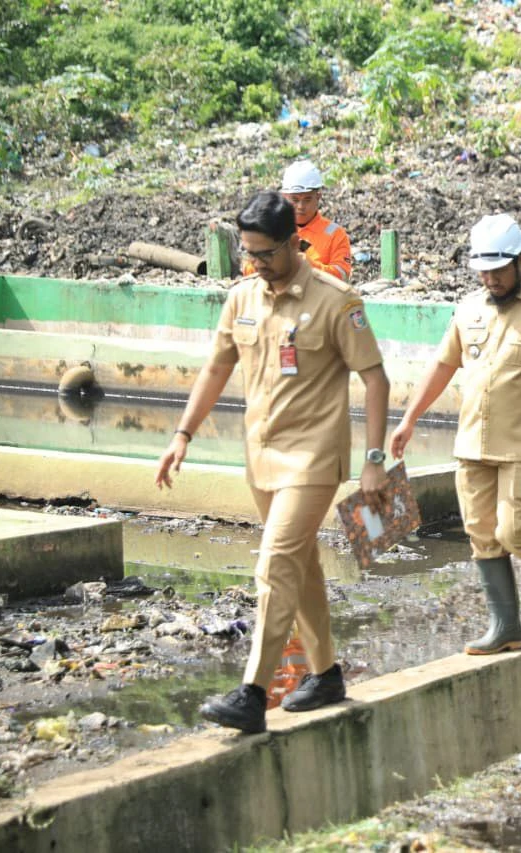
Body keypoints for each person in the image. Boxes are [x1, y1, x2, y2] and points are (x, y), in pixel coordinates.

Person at [155, 190, 390, 733]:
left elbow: (374, 377)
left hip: (313, 457)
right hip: (261, 457)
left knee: (273, 565)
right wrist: (182, 433)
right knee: (299, 565)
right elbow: (216, 368)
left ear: (293, 242)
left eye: (264, 254)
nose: (255, 264)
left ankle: (252, 692)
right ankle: (326, 672)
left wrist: (374, 460)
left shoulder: (336, 300)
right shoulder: (241, 298)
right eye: (248, 253)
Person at [389, 214, 521, 655]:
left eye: (499, 269)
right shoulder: (468, 309)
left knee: (515, 528)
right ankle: (505, 627)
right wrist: (408, 420)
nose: (491, 278)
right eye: (484, 270)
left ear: (520, 261)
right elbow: (442, 366)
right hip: (473, 440)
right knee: (481, 531)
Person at [241, 160, 353, 282]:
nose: (300, 206)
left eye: (307, 199)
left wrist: (307, 265)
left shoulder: (335, 234)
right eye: (295, 199)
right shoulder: (270, 230)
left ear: (318, 197)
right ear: (284, 197)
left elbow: (341, 276)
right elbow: (247, 270)